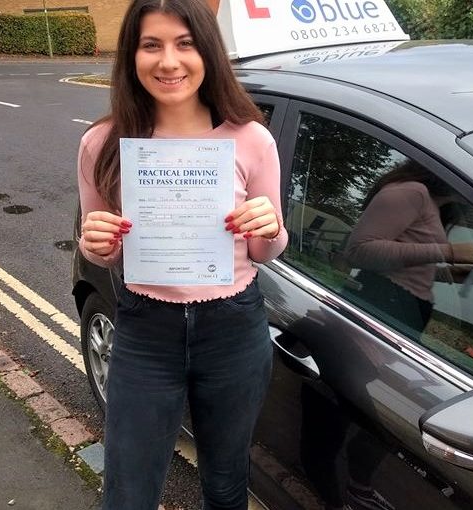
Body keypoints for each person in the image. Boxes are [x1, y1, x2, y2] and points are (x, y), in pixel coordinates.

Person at [77, 1, 288, 509]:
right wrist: (96, 243)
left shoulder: (250, 138)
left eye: (184, 44)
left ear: (207, 52)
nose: (168, 61)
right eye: (152, 45)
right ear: (132, 55)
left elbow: (266, 250)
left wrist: (270, 227)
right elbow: (105, 253)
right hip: (146, 331)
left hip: (233, 328)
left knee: (226, 482)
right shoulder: (101, 143)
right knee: (128, 490)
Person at [342, 160, 473, 336]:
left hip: (401, 305)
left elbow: (401, 266)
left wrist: (444, 274)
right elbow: (357, 252)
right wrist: (448, 252)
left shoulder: (434, 205)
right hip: (383, 302)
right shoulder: (414, 191)